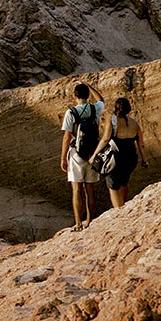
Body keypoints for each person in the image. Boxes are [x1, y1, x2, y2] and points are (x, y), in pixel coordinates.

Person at [60, 82, 104, 230]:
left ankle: (78, 223)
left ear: (75, 96)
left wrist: (63, 158)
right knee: (90, 189)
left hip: (76, 154)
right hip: (92, 153)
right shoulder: (95, 108)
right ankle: (89, 221)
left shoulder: (71, 113)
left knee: (76, 189)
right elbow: (101, 100)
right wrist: (90, 87)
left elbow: (67, 137)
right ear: (87, 95)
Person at [90, 97, 148, 208]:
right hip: (131, 157)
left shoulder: (112, 120)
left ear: (116, 108)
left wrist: (94, 155)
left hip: (116, 157)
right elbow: (141, 144)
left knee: (113, 186)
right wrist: (144, 160)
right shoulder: (134, 123)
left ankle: (118, 211)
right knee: (124, 182)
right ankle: (124, 206)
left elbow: (106, 138)